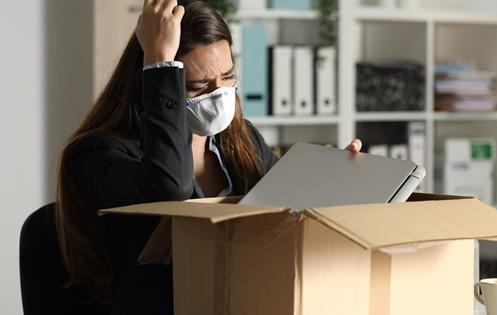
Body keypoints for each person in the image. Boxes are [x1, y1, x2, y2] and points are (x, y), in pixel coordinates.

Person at [54, 0, 363, 314]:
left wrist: (336, 178)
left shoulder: (243, 141)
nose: (219, 95)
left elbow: (288, 209)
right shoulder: (95, 153)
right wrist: (159, 63)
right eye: (199, 86)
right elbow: (169, 188)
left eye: (227, 77)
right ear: (153, 83)